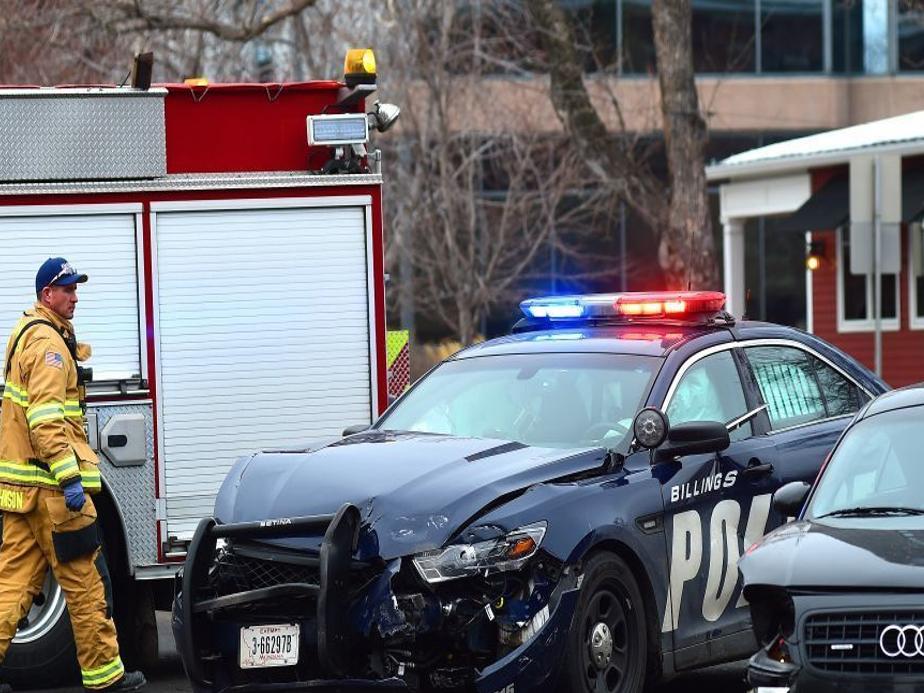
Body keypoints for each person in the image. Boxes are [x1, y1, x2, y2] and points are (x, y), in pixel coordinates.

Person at [0, 258, 145, 693]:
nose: (75, 297)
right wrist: (69, 478)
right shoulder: (48, 344)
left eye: (75, 289)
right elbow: (46, 420)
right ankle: (105, 677)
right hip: (55, 497)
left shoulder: (28, 332)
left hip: (24, 494)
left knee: (11, 587)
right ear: (47, 295)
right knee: (85, 584)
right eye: (67, 289)